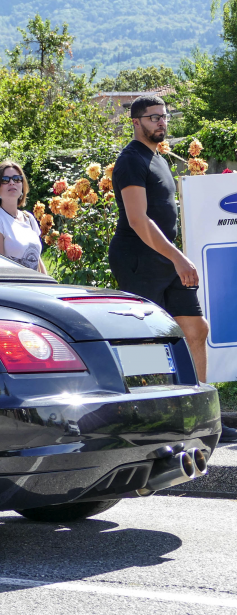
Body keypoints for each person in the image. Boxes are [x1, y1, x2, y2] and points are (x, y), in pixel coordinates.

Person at [107, 95, 231, 438]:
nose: (161, 122)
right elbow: (137, 220)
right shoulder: (130, 160)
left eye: (164, 116)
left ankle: (201, 420)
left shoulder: (158, 158)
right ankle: (148, 424)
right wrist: (178, 257)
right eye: (153, 117)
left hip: (166, 258)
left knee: (196, 329)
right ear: (136, 122)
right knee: (144, 343)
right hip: (137, 259)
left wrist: (174, 256)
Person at [0, 160, 47, 273]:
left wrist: (48, 282)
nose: (12, 183)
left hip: (36, 283)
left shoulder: (29, 218)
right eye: (5, 180)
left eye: (17, 179)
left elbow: (39, 262)